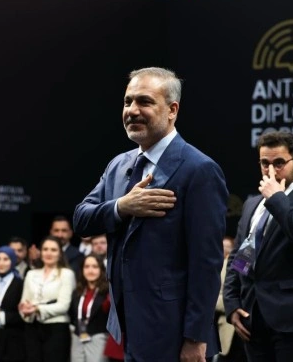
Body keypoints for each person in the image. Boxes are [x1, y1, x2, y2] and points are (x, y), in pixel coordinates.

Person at [74, 67, 228, 361]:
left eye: (144, 101)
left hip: (175, 335)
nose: (132, 110)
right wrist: (122, 207)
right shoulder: (118, 165)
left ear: (172, 110)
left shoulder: (200, 170)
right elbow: (82, 218)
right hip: (127, 330)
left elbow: (206, 264)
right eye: (127, 101)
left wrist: (195, 338)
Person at [223, 130, 293, 362]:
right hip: (253, 318)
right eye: (265, 163)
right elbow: (241, 257)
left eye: (279, 163)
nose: (271, 171)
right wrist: (232, 303)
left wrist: (277, 199)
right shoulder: (252, 204)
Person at [19, 236, 75, 362]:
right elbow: (24, 301)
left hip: (56, 328)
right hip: (32, 327)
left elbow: (63, 306)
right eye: (45, 249)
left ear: (60, 253)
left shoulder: (67, 274)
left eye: (53, 250)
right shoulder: (31, 274)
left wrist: (37, 308)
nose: (49, 253)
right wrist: (24, 309)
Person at [69, 254, 110, 362]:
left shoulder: (107, 292)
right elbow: (72, 315)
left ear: (101, 270)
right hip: (78, 337)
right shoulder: (77, 292)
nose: (90, 271)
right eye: (87, 267)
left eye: (95, 267)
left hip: (99, 338)